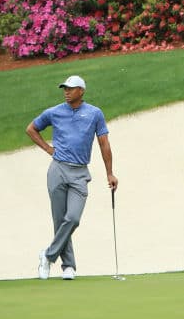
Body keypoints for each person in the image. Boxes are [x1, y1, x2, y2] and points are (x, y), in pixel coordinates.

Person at [27, 75, 118, 280]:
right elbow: (31, 129)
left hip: (79, 173)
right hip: (58, 169)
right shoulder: (54, 112)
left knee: (73, 218)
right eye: (64, 89)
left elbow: (104, 144)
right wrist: (48, 149)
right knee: (60, 220)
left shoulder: (95, 114)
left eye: (70, 88)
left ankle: (48, 256)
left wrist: (109, 172)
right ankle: (69, 266)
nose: (66, 92)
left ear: (81, 91)